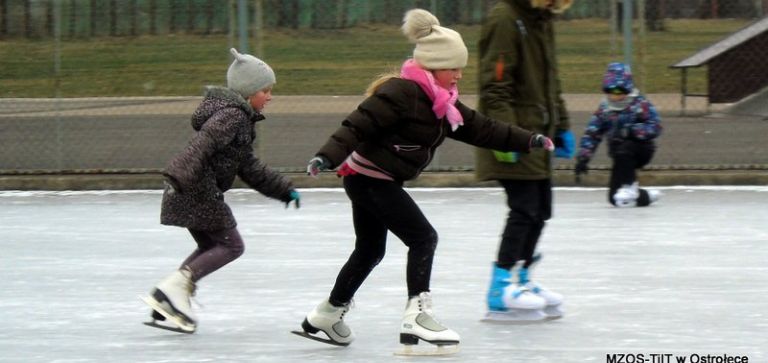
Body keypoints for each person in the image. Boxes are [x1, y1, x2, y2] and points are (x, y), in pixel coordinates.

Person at [294, 9, 554, 352]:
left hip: (370, 178)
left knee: (370, 249)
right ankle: (416, 315)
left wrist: (528, 140)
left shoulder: (442, 103)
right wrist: (325, 156)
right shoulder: (401, 93)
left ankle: (327, 314)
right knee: (423, 237)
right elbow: (357, 125)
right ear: (432, 66)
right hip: (369, 178)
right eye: (453, 68)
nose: (460, 74)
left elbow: (484, 129)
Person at [141, 48, 300, 334]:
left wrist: (283, 189)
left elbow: (249, 167)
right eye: (266, 90)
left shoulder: (237, 118)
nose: (270, 96)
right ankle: (171, 292)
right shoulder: (233, 116)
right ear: (249, 91)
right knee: (231, 245)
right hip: (195, 189)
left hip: (191, 189)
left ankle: (166, 298)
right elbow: (202, 145)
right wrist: (178, 174)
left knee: (209, 246)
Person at [475, 0, 574, 321]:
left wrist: (561, 125)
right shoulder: (506, 18)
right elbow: (494, 86)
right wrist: (507, 135)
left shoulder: (540, 19)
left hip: (539, 132)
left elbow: (551, 82)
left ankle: (522, 279)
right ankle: (500, 289)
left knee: (540, 209)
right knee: (524, 209)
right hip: (517, 133)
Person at [575, 62, 662, 207]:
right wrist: (583, 158)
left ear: (627, 90)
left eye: (619, 92)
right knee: (615, 198)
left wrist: (633, 130)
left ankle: (629, 187)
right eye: (611, 92)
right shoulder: (604, 110)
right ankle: (647, 196)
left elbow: (656, 126)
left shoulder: (639, 104)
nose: (615, 97)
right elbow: (592, 133)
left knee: (624, 148)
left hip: (641, 149)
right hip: (620, 156)